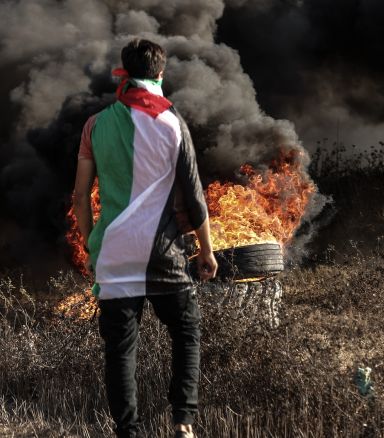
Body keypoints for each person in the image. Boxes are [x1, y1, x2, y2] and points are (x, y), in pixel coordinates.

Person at [72, 39, 218, 438]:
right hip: (164, 254)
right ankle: (183, 423)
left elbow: (80, 196)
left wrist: (91, 246)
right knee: (186, 332)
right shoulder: (172, 121)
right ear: (160, 73)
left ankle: (128, 431)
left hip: (116, 255)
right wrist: (206, 250)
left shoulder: (96, 124)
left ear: (124, 70)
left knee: (120, 351)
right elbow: (194, 193)